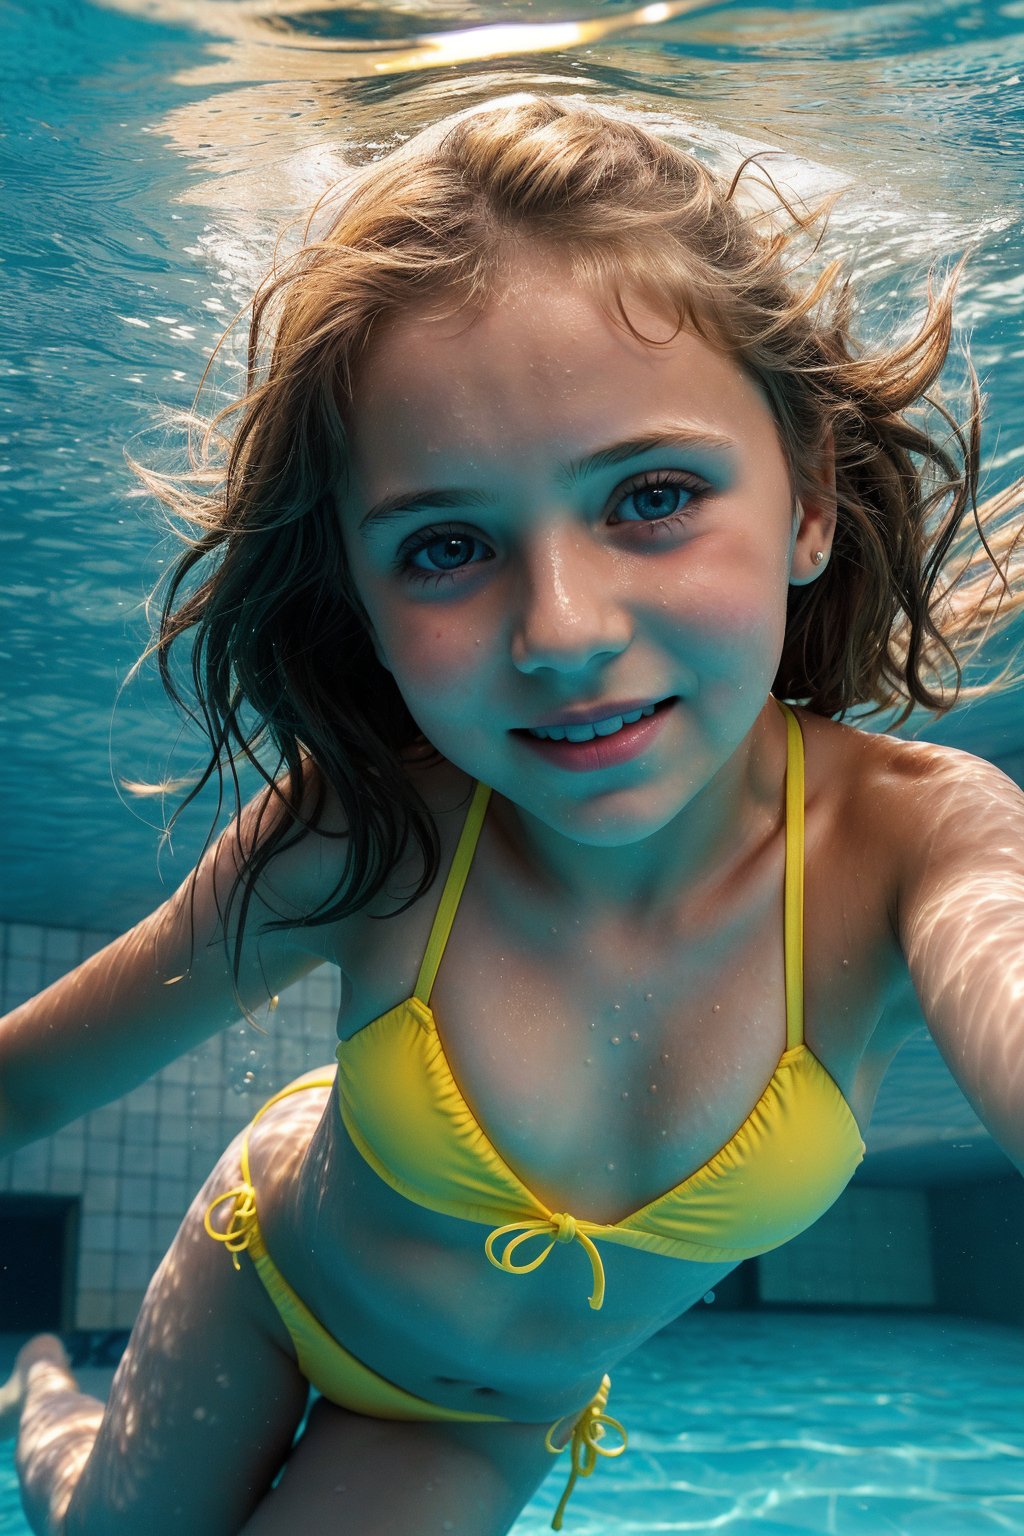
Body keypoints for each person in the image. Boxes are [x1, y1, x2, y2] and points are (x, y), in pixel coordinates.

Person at [2, 93, 1023, 1536]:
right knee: (98, 1523)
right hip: (265, 1283)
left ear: (805, 495)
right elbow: (26, 1085)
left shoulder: (919, 848)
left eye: (652, 495)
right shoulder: (364, 836)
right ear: (358, 594)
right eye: (444, 546)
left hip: (470, 1429)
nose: (560, 629)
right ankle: (47, 1402)